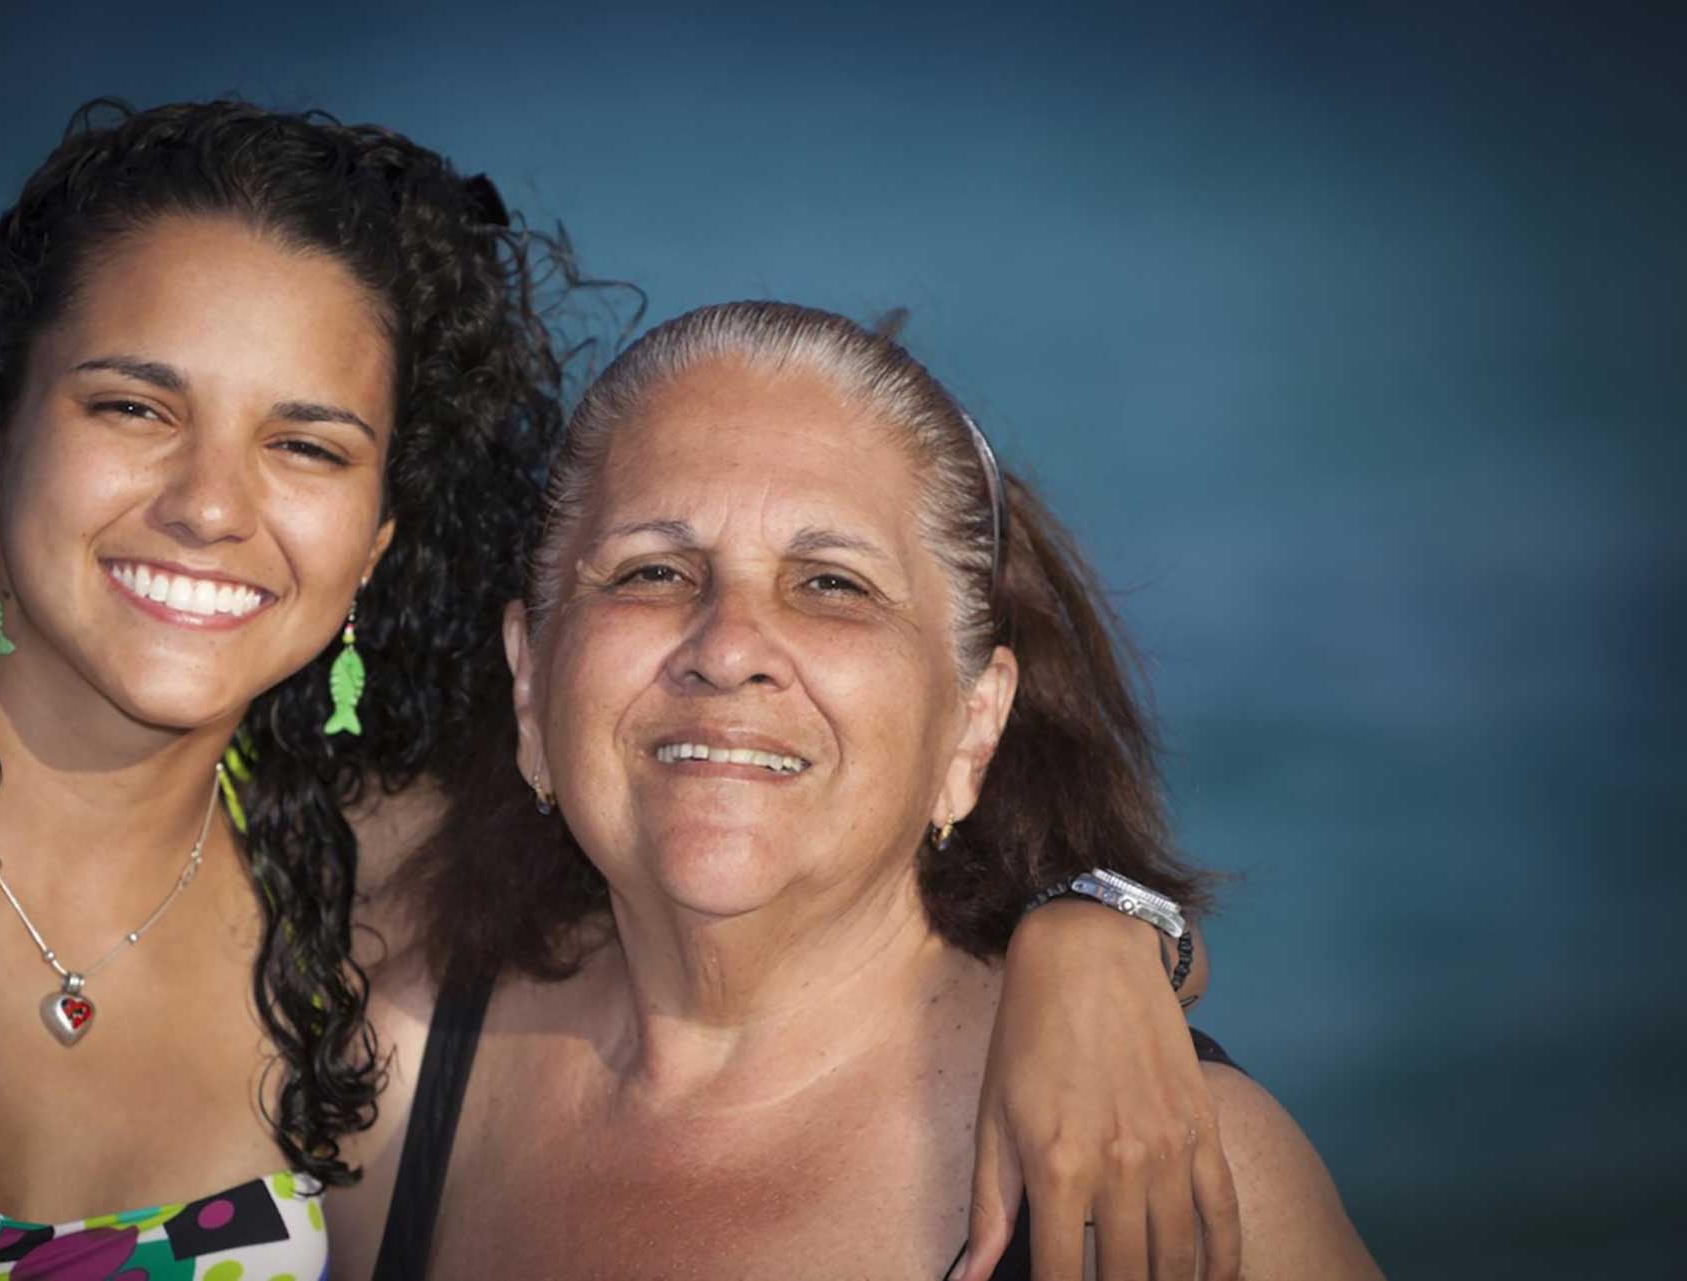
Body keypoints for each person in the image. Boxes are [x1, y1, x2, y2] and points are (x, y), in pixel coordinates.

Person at [0, 102, 1234, 1281]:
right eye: (134, 406)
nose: (210, 505)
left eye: (307, 446)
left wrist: (1093, 935)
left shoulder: (363, 892)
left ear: (375, 539)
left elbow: (766, 872)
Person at [353, 302, 1382, 1280]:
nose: (729, 648)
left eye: (831, 584)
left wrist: (1108, 923)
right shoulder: (393, 1074)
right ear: (531, 683)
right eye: (653, 572)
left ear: (972, 725)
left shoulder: (1164, 1171)